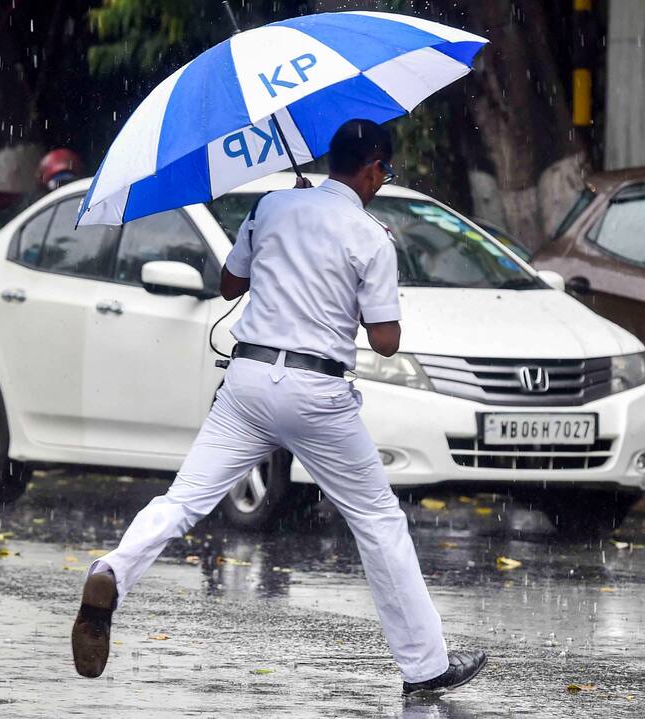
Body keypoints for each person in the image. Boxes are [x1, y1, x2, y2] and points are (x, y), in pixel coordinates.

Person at [70, 119, 487, 696]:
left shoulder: (269, 207)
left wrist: (284, 230)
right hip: (318, 394)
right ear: (370, 169)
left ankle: (112, 569)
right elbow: (386, 339)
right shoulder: (370, 236)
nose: (383, 182)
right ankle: (425, 665)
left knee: (184, 500)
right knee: (378, 522)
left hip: (248, 381)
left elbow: (228, 284)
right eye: (384, 173)